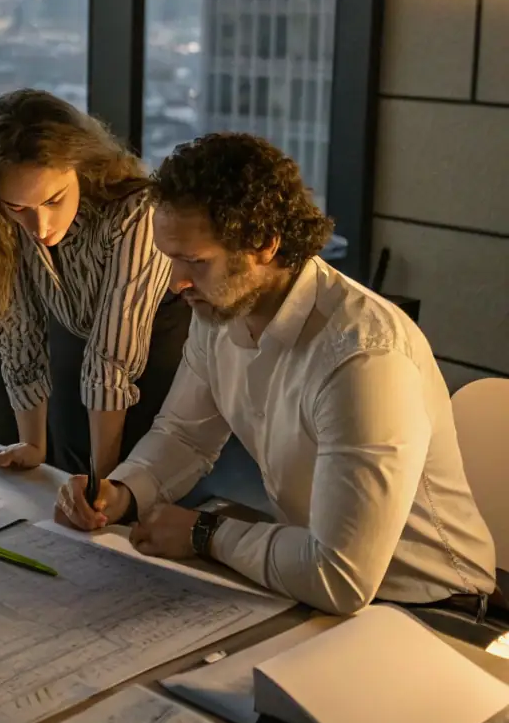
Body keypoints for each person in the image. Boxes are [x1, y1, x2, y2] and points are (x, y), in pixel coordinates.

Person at [56, 132, 496, 617]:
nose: (176, 283)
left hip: (435, 612)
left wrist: (204, 534)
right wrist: (121, 493)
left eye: (196, 262)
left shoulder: (364, 357)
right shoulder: (219, 312)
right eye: (170, 258)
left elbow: (340, 577)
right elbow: (184, 437)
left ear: (264, 243)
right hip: (313, 586)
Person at [0, 89, 191, 477]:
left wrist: (103, 486)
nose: (40, 228)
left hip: (158, 374)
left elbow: (111, 359)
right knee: (64, 482)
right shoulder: (6, 222)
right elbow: (21, 333)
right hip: (79, 365)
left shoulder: (136, 211)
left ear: (80, 166)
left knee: (132, 505)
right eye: (19, 208)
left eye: (53, 201)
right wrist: (33, 445)